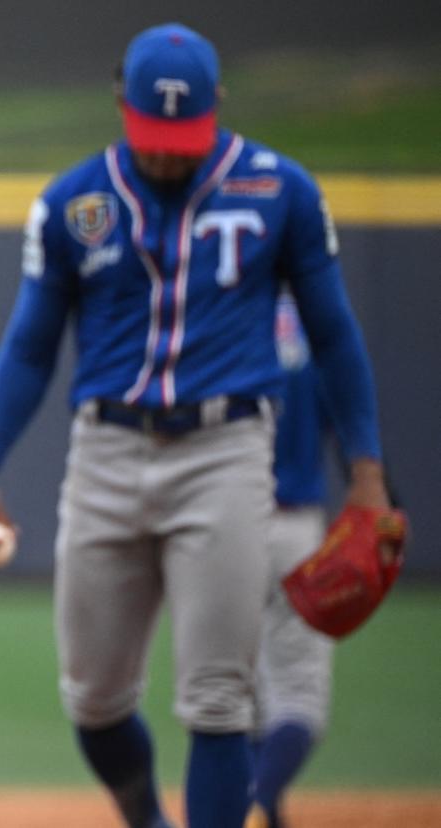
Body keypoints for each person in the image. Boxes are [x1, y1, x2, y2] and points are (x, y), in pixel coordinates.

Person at [0, 23, 390, 828]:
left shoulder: (279, 190)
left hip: (227, 450)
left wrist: (366, 471)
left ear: (217, 109)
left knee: (219, 697)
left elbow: (334, 335)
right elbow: (27, 350)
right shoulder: (73, 203)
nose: (168, 154)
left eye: (184, 136)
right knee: (92, 698)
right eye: (154, 135)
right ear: (122, 106)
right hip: (107, 450)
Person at [247, 294, 336, 828]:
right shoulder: (320, 329)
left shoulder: (229, 314)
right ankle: (257, 804)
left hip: (232, 526)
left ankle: (262, 809)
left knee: (247, 696)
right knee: (300, 698)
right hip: (299, 527)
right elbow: (349, 422)